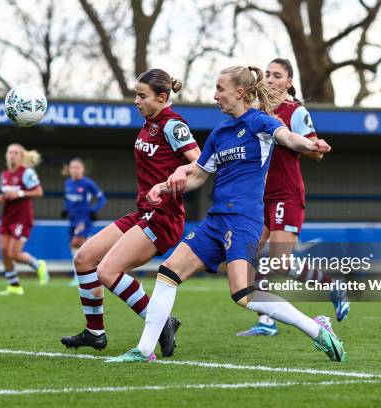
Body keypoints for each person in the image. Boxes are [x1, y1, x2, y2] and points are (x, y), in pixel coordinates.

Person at [106, 65, 345, 363]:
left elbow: (287, 138)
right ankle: (143, 351)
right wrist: (165, 187)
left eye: (220, 89)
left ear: (239, 92)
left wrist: (310, 142)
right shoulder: (220, 133)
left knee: (242, 294)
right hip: (216, 220)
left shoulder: (260, 121)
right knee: (168, 272)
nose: (215, 95)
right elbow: (198, 176)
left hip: (244, 220)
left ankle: (317, 330)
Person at [60, 69, 201, 357]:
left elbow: (199, 164)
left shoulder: (173, 126)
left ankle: (161, 323)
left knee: (108, 271)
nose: (135, 101)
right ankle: (95, 332)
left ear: (162, 97)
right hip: (143, 212)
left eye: (142, 95)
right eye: (135, 94)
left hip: (163, 216)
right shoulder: (149, 124)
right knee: (84, 259)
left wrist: (175, 177)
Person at [237, 58, 349, 338]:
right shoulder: (259, 111)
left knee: (279, 262)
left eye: (277, 75)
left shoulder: (295, 111)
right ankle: (266, 320)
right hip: (261, 196)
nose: (271, 79)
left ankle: (331, 285)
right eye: (268, 75)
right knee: (247, 258)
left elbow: (317, 152)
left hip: (286, 194)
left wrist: (313, 145)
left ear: (289, 82)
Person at [0, 143, 49, 295]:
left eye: (15, 153)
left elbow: (39, 192)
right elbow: (6, 194)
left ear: (21, 156)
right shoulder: (5, 175)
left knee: (14, 253)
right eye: (10, 152)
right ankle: (14, 285)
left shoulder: (26, 173)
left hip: (22, 217)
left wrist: (20, 194)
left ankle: (38, 264)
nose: (12, 155)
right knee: (3, 250)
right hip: (7, 217)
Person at [61, 158, 106, 286]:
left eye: (77, 167)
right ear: (69, 170)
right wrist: (65, 209)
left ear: (82, 170)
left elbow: (102, 199)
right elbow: (67, 199)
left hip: (84, 219)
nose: (75, 170)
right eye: (72, 167)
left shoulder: (88, 183)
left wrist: (94, 210)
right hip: (72, 219)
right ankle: (84, 274)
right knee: (75, 246)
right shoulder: (68, 183)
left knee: (77, 242)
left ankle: (80, 276)